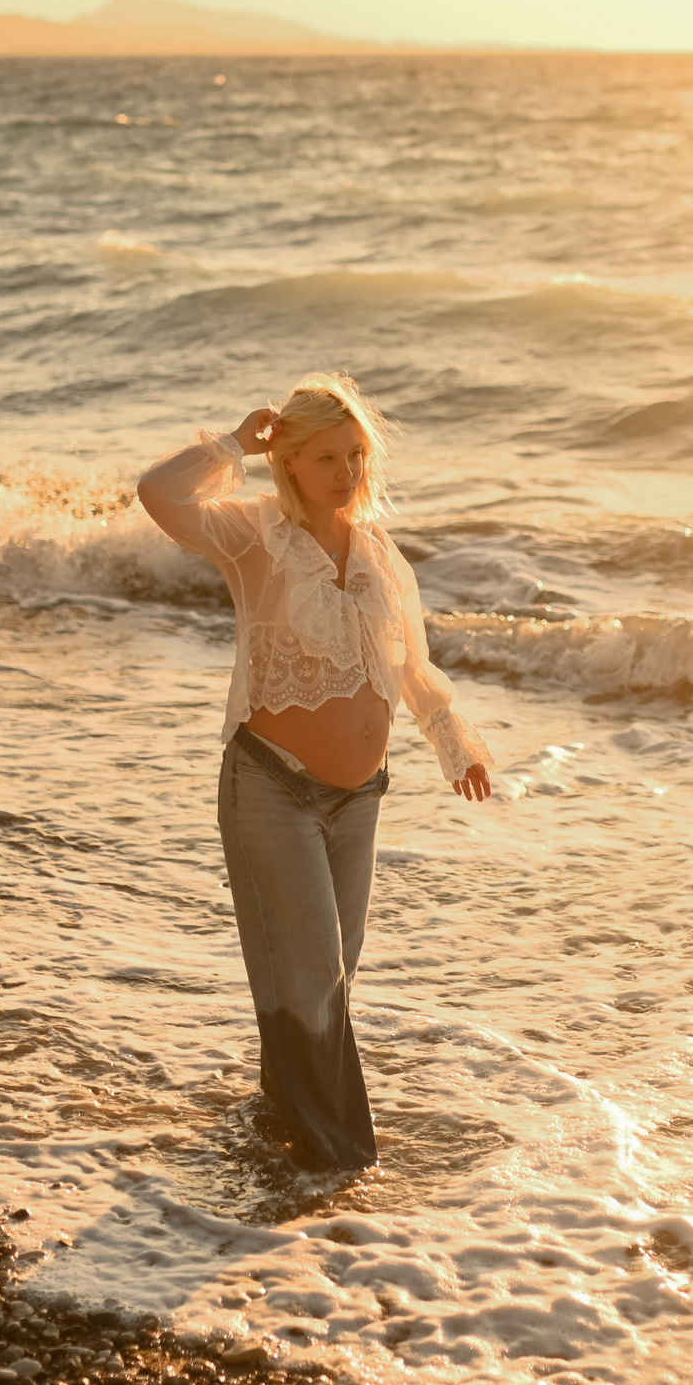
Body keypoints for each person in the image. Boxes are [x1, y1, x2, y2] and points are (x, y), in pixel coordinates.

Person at [137, 373, 494, 1170]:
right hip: (272, 788)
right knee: (312, 983)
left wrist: (453, 739)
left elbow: (411, 663)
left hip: (359, 801)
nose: (346, 472)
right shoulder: (254, 533)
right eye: (326, 457)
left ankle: (278, 1132)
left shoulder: (377, 553)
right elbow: (157, 494)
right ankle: (341, 1163)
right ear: (290, 462)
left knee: (329, 980)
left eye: (356, 455)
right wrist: (235, 443)